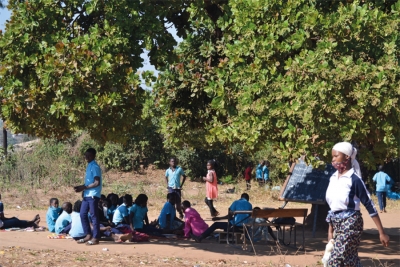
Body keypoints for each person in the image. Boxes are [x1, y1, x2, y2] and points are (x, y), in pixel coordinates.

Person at [325, 142, 389, 266]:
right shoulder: (333, 178)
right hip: (336, 223)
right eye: (332, 156)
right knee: (350, 260)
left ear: (347, 157)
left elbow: (369, 205)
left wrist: (382, 232)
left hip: (351, 223)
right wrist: (330, 231)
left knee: (334, 260)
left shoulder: (354, 180)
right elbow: (334, 207)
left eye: (336, 156)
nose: (333, 159)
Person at [73, 147, 102, 245]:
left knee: (94, 216)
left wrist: (84, 187)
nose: (87, 157)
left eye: (89, 155)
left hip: (93, 195)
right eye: (86, 155)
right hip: (87, 195)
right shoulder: (89, 166)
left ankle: (96, 237)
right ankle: (88, 235)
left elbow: (97, 182)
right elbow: (89, 182)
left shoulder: (95, 166)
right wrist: (83, 189)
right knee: (82, 214)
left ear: (94, 156)